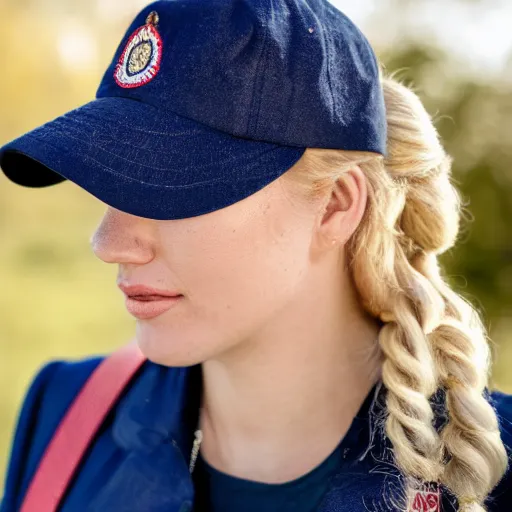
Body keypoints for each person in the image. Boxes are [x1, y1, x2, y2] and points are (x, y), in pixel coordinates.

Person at [0, 1, 510, 511]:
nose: (108, 243)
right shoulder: (66, 416)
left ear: (335, 205)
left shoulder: (494, 467)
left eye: (170, 188)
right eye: (113, 183)